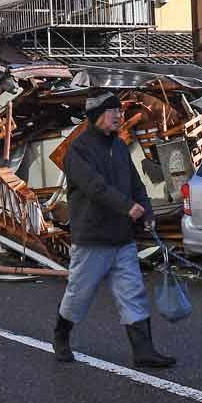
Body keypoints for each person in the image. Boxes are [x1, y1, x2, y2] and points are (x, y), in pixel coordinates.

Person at [52, 91, 176, 369]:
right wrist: (126, 207)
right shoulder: (78, 150)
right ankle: (61, 337)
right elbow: (94, 187)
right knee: (79, 293)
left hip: (122, 238)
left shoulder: (119, 146)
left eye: (119, 111)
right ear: (96, 116)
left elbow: (135, 183)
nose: (119, 116)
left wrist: (147, 211)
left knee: (132, 292)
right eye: (112, 112)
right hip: (92, 238)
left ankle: (144, 350)